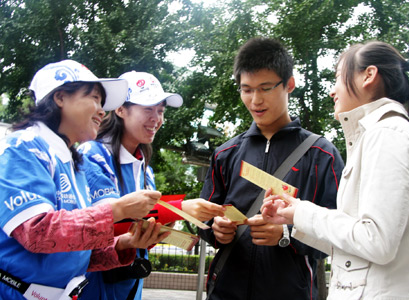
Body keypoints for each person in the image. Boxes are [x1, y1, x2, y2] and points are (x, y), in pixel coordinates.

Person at [261, 41, 409, 299]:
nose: (332, 91)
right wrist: (295, 215)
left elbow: (377, 241)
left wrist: (304, 211)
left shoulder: (387, 134)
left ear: (368, 75)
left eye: (338, 77)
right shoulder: (380, 135)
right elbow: (358, 246)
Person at [0, 60, 166, 300]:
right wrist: (116, 210)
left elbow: (76, 249)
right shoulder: (23, 147)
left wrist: (123, 244)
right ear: (60, 98)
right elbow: (38, 233)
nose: (102, 110)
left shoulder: (72, 162)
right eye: (94, 98)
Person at [198, 37, 344, 300]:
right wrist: (215, 228)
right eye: (247, 89)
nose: (255, 100)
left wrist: (288, 234)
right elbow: (203, 217)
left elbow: (341, 232)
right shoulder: (225, 154)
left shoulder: (321, 154)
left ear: (289, 84)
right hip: (226, 292)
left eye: (265, 88)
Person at [78, 71, 225, 300]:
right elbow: (110, 219)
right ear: (120, 109)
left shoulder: (145, 169)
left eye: (161, 110)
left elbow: (140, 228)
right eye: (147, 108)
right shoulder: (93, 155)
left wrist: (163, 227)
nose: (156, 118)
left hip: (130, 284)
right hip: (94, 284)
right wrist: (180, 208)